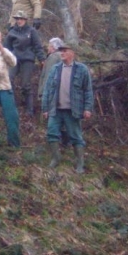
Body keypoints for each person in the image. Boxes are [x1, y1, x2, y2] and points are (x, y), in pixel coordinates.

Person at [41, 41, 93, 173]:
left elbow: (88, 90)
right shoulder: (55, 69)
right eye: (61, 51)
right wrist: (45, 108)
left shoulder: (82, 69)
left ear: (72, 53)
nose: (62, 53)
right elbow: (47, 90)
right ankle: (55, 158)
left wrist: (87, 108)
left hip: (72, 111)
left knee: (76, 137)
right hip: (55, 109)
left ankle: (80, 163)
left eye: (65, 51)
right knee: (51, 133)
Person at [4, 10, 46, 117]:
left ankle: (29, 109)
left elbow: (37, 46)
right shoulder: (12, 31)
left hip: (28, 59)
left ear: (25, 20)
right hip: (14, 59)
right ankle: (11, 104)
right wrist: (3, 58)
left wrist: (42, 59)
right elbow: (6, 47)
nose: (19, 21)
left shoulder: (31, 31)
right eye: (17, 19)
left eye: (21, 19)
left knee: (25, 84)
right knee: (9, 78)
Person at [38, 38, 71, 145]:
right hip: (62, 93)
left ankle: (56, 141)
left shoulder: (53, 57)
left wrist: (43, 92)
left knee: (53, 116)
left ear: (53, 47)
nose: (47, 47)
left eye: (49, 45)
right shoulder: (62, 57)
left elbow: (48, 76)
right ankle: (65, 140)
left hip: (52, 92)